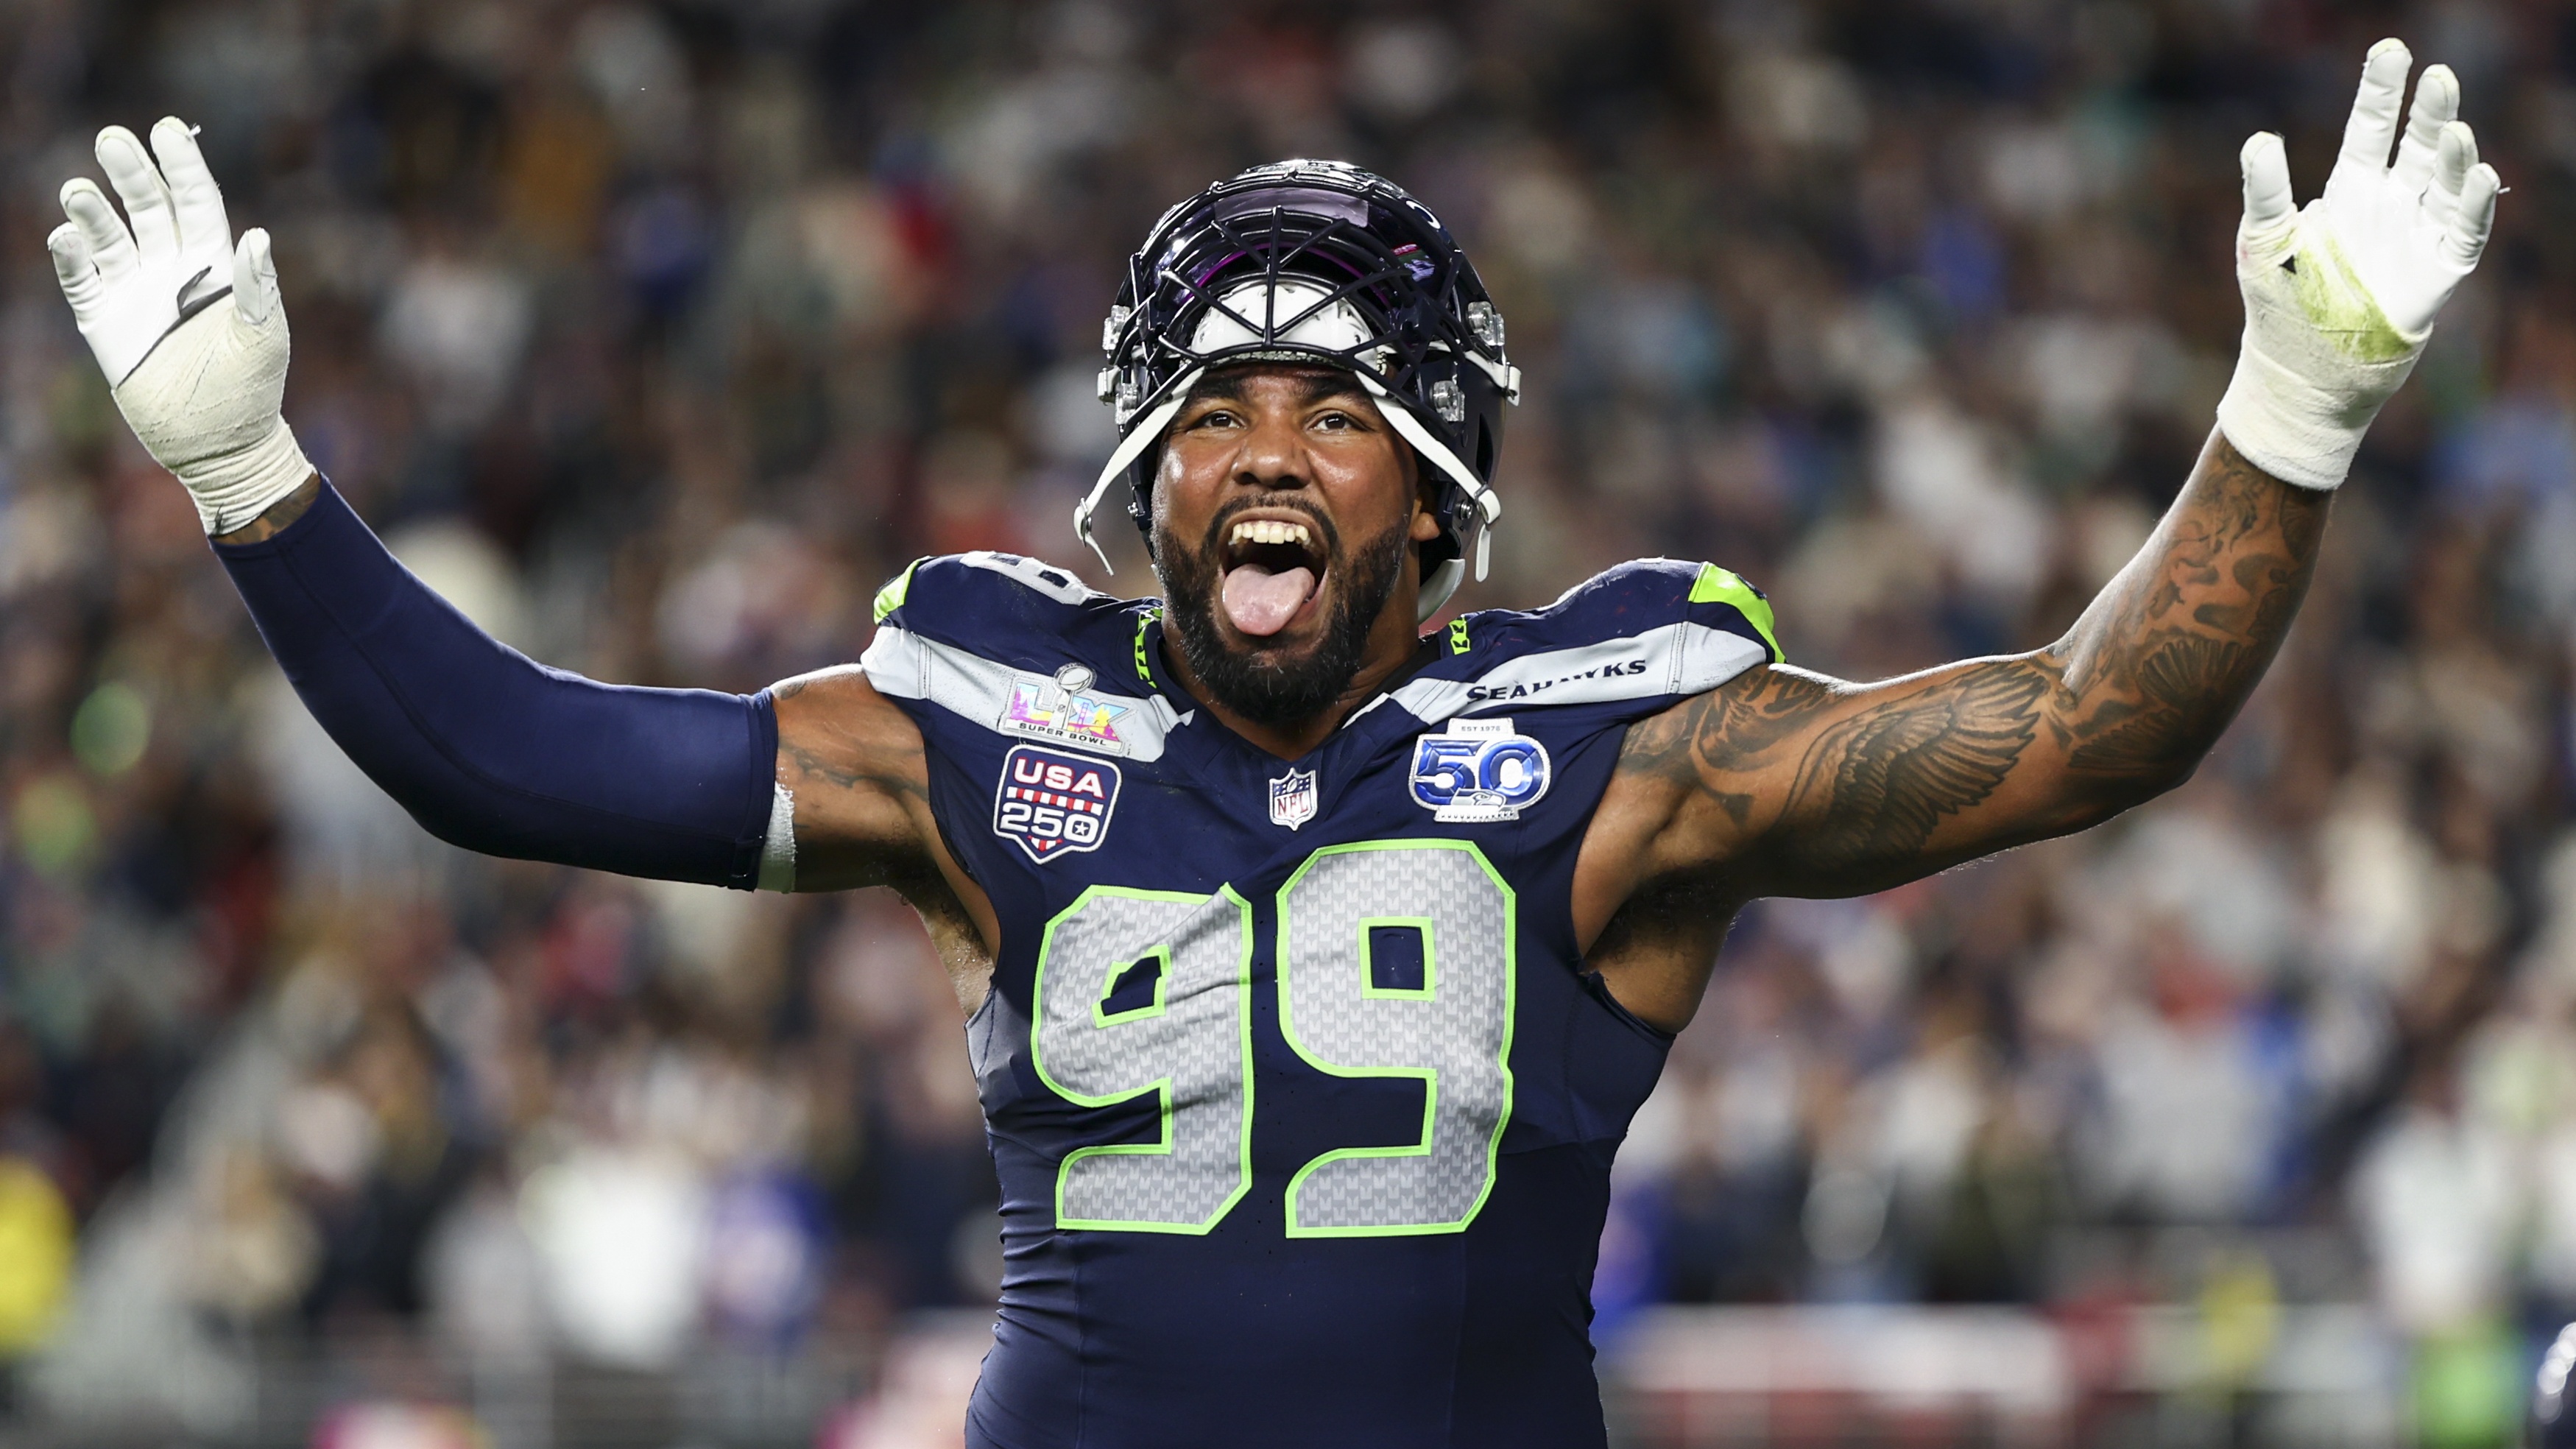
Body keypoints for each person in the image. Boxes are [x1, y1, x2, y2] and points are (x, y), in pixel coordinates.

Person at [44, 39, 2498, 1449]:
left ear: (1429, 495)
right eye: (1215, 410)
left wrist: (2288, 410)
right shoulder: (981, 724)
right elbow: (508, 762)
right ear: (1142, 475)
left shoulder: (1617, 742)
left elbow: (2074, 731)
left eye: (1332, 414)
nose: (1264, 457)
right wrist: (253, 481)